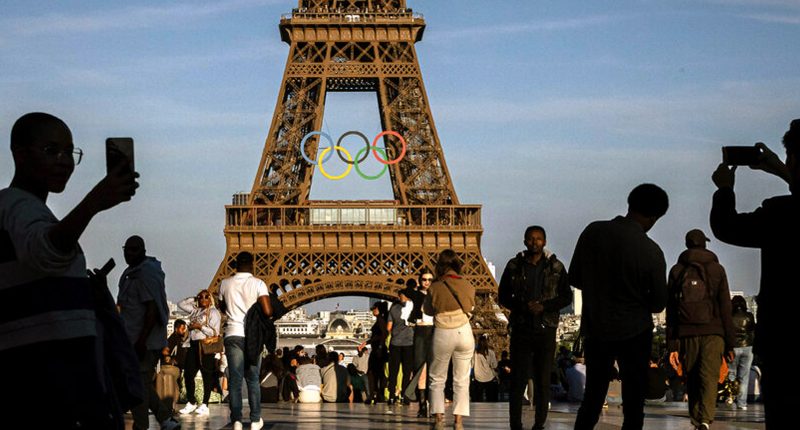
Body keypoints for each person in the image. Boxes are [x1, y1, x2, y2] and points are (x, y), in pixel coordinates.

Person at [0, 112, 142, 429]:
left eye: (70, 152)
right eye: (52, 151)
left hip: (48, 375)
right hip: (45, 379)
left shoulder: (31, 210)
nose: (64, 161)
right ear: (19, 154)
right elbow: (44, 251)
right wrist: (94, 202)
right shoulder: (14, 204)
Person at [710, 120, 800, 429]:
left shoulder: (781, 215)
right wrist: (782, 170)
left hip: (787, 339)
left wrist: (724, 190)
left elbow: (727, 226)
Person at [569, 183, 669, 430]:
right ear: (655, 217)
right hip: (635, 331)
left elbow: (574, 278)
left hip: (597, 326)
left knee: (593, 397)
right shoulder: (651, 251)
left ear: (630, 203)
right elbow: (658, 303)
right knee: (634, 401)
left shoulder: (593, 232)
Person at [498, 225, 573, 430]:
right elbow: (502, 295)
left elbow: (567, 296)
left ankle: (539, 423)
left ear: (545, 242)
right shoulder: (514, 266)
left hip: (545, 328)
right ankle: (516, 424)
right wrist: (523, 307)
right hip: (522, 327)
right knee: (518, 379)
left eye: (538, 239)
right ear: (524, 241)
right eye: (531, 239)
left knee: (542, 379)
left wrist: (544, 306)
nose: (534, 242)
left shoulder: (556, 267)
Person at [665, 229, 735, 429]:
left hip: (686, 333)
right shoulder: (717, 269)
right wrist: (730, 343)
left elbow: (671, 309)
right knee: (709, 376)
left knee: (692, 376)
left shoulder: (677, 271)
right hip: (714, 332)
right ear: (704, 244)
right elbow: (725, 308)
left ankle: (696, 418)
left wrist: (672, 345)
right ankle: (705, 418)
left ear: (687, 244)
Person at [117, 235, 179, 430]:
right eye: (126, 249)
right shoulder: (135, 273)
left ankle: (142, 425)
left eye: (133, 249)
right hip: (138, 340)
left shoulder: (142, 275)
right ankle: (165, 419)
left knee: (138, 385)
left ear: (142, 251)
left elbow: (151, 310)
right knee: (141, 383)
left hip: (142, 342)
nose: (128, 253)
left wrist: (141, 341)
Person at [218, 251, 272, 430]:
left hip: (233, 333)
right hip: (252, 336)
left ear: (234, 265)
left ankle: (237, 421)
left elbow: (222, 306)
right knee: (253, 379)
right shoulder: (258, 283)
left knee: (234, 380)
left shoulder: (225, 283)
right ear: (252, 264)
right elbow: (267, 311)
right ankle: (256, 420)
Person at [423, 249, 476, 430]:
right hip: (464, 332)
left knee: (437, 378)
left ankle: (439, 418)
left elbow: (428, 311)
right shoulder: (468, 285)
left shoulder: (434, 287)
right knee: (461, 379)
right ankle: (459, 420)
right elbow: (471, 306)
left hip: (443, 332)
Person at [177, 290, 222, 416]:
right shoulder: (195, 310)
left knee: (206, 375)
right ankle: (191, 402)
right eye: (201, 297)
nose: (203, 299)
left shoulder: (213, 312)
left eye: (206, 297)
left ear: (211, 299)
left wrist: (199, 327)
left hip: (205, 345)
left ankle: (205, 404)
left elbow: (215, 333)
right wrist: (194, 298)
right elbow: (180, 304)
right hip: (193, 344)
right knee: (188, 374)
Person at [408, 271, 436, 416]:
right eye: (424, 279)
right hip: (420, 331)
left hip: (433, 331)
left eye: (430, 279)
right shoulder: (415, 296)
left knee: (433, 369)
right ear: (420, 281)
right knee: (420, 369)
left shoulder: (437, 295)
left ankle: (432, 404)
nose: (427, 282)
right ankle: (422, 404)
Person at [387, 286, 415, 405]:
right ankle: (405, 396)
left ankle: (392, 396)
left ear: (399, 296)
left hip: (395, 343)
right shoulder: (413, 308)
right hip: (409, 343)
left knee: (393, 371)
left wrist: (395, 332)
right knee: (406, 371)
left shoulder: (393, 309)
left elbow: (388, 327)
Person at [729, 295, 756, 410]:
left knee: (731, 374)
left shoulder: (729, 316)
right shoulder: (749, 316)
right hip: (748, 347)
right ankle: (741, 403)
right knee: (744, 377)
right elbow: (753, 330)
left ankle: (730, 397)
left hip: (734, 347)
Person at [364, 301, 389, 404]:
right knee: (378, 373)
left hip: (378, 350)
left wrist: (379, 347)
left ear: (379, 309)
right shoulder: (381, 320)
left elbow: (383, 334)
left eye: (374, 308)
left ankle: (373, 394)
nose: (373, 310)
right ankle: (379, 394)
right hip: (379, 349)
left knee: (371, 373)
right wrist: (367, 342)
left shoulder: (381, 320)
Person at [470, 334, 499, 402]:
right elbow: (494, 365)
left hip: (478, 377)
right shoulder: (491, 352)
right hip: (489, 377)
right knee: (490, 397)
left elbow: (471, 364)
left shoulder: (475, 353)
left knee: (478, 398)